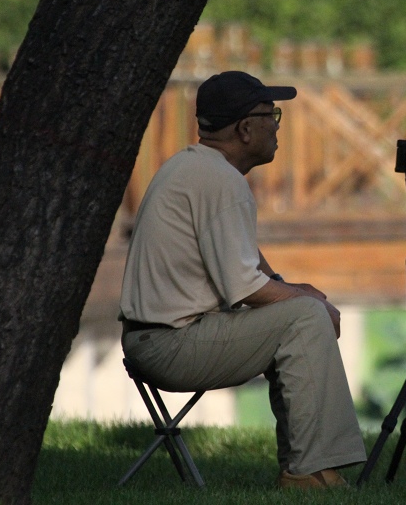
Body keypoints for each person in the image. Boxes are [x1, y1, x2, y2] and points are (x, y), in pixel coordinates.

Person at [117, 70, 367, 489]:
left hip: (155, 338)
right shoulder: (220, 181)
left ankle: (305, 466)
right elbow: (245, 287)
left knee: (300, 310)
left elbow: (247, 263)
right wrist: (311, 304)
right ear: (246, 128)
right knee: (305, 318)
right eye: (272, 115)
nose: (277, 127)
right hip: (170, 345)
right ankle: (309, 473)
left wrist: (295, 290)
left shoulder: (196, 168)